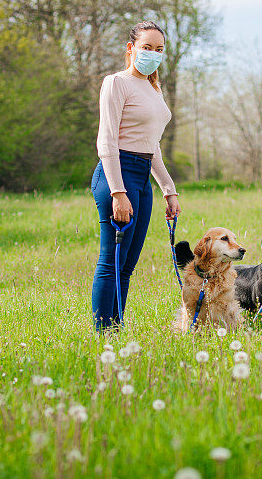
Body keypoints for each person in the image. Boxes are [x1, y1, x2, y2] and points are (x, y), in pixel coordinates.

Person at [90, 20, 181, 332]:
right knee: (111, 261)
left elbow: (151, 144)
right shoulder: (116, 83)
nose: (153, 54)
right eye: (147, 48)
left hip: (142, 178)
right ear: (131, 49)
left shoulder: (153, 88)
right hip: (118, 175)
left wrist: (168, 190)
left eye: (159, 50)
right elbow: (107, 141)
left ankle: (116, 328)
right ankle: (104, 333)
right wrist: (117, 192)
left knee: (127, 265)